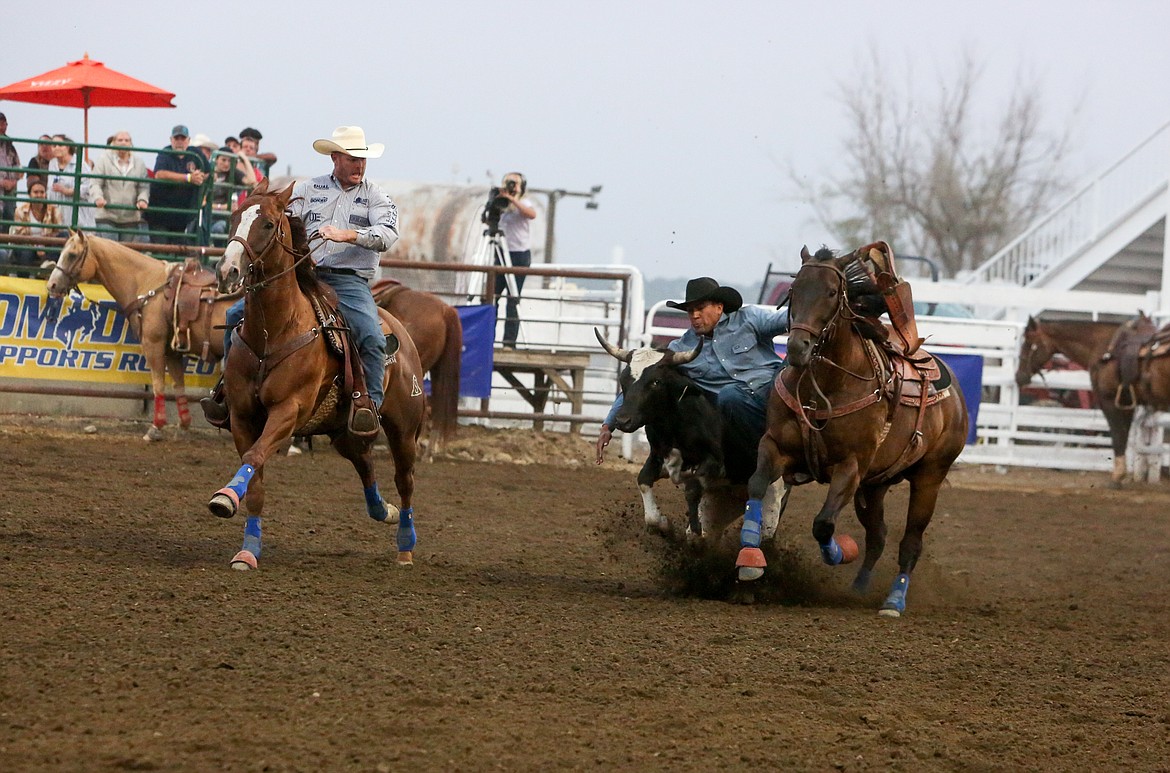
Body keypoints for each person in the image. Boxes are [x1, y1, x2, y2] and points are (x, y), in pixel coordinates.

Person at [202, 125, 399, 436]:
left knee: (371, 336)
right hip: (305, 274)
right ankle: (228, 391)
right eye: (352, 159)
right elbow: (273, 213)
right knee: (234, 314)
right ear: (336, 158)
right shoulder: (309, 190)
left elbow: (387, 235)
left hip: (349, 281)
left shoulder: (376, 196)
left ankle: (368, 405)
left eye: (362, 159)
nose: (359, 165)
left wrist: (347, 234)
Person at [595, 277, 790, 473]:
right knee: (729, 397)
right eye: (690, 311)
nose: (695, 315)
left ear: (719, 307)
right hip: (739, 416)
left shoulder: (749, 318)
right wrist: (608, 425)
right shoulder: (681, 349)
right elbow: (639, 383)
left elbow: (790, 318)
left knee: (794, 364)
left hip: (776, 395)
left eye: (700, 308)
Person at [144, 125, 208, 245]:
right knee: (161, 249)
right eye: (176, 138)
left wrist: (201, 177)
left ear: (188, 140)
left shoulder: (195, 154)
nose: (179, 142)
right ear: (171, 140)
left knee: (176, 250)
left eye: (182, 139)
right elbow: (159, 174)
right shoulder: (165, 153)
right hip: (160, 214)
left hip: (181, 215)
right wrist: (188, 178)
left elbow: (208, 172)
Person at [494, 171, 537, 347]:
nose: (511, 186)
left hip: (519, 254)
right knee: (493, 296)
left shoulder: (524, 202)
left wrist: (513, 199)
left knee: (513, 298)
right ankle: (488, 337)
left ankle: (509, 341)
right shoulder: (501, 203)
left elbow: (531, 214)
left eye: (515, 183)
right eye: (508, 182)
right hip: (501, 252)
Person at [88, 130, 151, 242]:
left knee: (125, 253)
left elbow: (144, 186)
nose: (123, 143)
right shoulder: (103, 160)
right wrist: (98, 197)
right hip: (106, 215)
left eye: (126, 140)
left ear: (131, 143)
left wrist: (143, 199)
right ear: (114, 142)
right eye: (120, 140)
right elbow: (95, 182)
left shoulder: (139, 162)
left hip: (130, 216)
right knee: (108, 252)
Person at [11, 178, 64, 268]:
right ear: (29, 195)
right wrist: (36, 246)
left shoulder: (54, 210)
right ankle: (25, 279)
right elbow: (20, 235)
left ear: (45, 194)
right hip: (28, 245)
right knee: (25, 252)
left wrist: (43, 244)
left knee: (64, 235)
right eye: (35, 192)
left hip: (48, 246)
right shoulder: (20, 210)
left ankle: (47, 263)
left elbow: (58, 232)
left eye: (42, 192)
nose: (39, 195)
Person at [47, 135, 95, 230]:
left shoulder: (80, 164)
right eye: (54, 146)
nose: (56, 148)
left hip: (79, 217)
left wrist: (68, 191)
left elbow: (89, 186)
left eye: (60, 145)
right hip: (57, 217)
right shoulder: (52, 164)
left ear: (68, 147)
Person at [209, 145, 258, 238]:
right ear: (216, 160)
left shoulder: (233, 173)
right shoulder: (208, 172)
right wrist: (223, 207)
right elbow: (203, 202)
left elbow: (252, 181)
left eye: (229, 161)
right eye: (223, 160)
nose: (227, 164)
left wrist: (245, 159)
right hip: (206, 216)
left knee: (221, 228)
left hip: (222, 219)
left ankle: (218, 252)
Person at [0, 113, 23, 233]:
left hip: (9, 191)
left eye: (5, 124)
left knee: (9, 217)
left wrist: (13, 181)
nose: (3, 127)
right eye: (1, 123)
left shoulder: (9, 144)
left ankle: (5, 248)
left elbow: (18, 166)